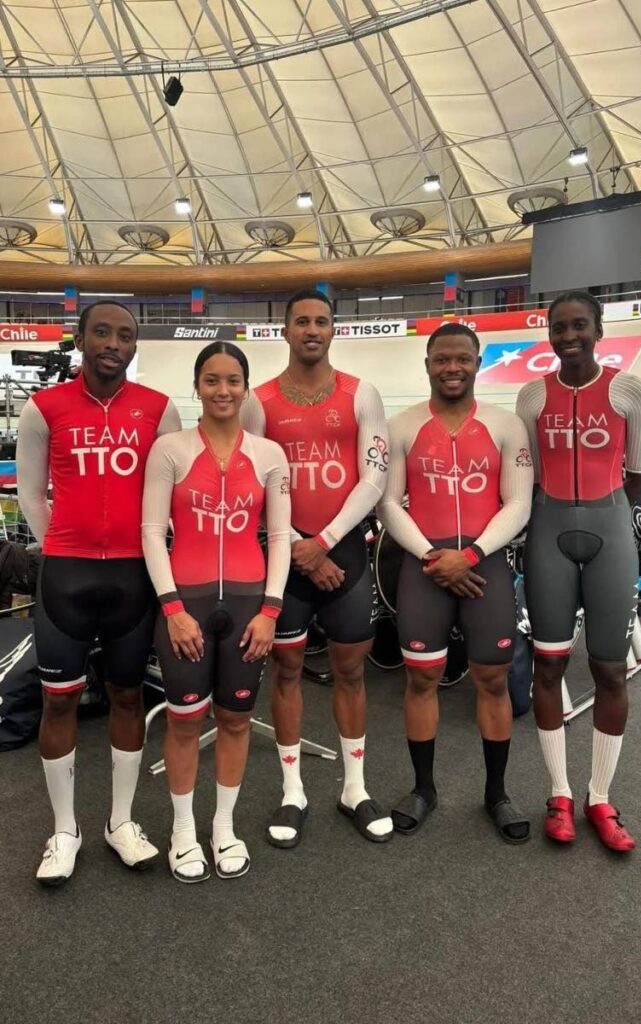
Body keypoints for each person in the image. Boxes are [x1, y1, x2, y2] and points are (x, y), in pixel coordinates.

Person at [17, 301, 181, 885]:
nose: (114, 343)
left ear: (135, 346)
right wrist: (61, 546)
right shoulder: (44, 408)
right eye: (103, 333)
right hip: (67, 577)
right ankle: (64, 830)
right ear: (82, 338)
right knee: (58, 701)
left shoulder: (159, 409)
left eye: (125, 335)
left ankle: (121, 822)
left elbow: (170, 495)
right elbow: (30, 493)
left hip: (133, 577)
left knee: (127, 697)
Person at [240, 288, 392, 846]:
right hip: (285, 556)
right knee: (285, 671)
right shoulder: (257, 402)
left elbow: (373, 478)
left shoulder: (362, 393)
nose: (311, 329)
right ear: (285, 330)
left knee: (351, 672)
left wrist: (322, 542)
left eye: (321, 321)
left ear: (333, 330)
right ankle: (292, 792)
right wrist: (299, 547)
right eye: (301, 321)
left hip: (342, 552)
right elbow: (253, 485)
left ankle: (355, 787)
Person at [378, 323, 533, 842]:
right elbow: (386, 503)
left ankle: (497, 793)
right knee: (421, 680)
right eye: (442, 358)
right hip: (425, 569)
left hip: (484, 566)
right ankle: (423, 789)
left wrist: (469, 556)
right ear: (427, 364)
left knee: (493, 680)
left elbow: (518, 502)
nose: (452, 367)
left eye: (462, 358)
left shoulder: (506, 424)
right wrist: (433, 557)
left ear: (477, 363)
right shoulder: (401, 426)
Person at [142, 342, 291, 882]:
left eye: (232, 380)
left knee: (235, 719)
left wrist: (271, 611)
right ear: (197, 386)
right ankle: (183, 830)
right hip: (186, 604)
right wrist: (173, 609)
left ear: (246, 388)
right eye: (211, 380)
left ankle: (223, 826)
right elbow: (151, 533)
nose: (222, 390)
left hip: (251, 605)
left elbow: (280, 536)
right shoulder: (170, 449)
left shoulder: (269, 454)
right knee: (184, 721)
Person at [516, 291, 641, 851]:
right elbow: (527, 477)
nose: (569, 336)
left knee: (610, 672)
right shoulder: (532, 396)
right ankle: (559, 793)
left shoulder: (631, 391)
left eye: (579, 325)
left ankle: (600, 797)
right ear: (549, 333)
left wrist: (622, 523)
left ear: (599, 330)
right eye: (559, 327)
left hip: (610, 533)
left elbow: (639, 475)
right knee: (548, 666)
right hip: (548, 534)